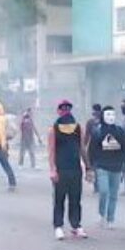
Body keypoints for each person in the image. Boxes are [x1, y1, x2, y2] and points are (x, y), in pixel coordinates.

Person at [48, 100, 87, 240]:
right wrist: (52, 169)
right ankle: (58, 226)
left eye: (67, 109)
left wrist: (88, 167)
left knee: (75, 199)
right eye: (62, 109)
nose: (65, 111)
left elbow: (82, 148)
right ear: (58, 111)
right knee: (59, 199)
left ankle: (76, 226)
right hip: (61, 169)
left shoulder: (78, 128)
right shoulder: (54, 129)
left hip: (75, 169)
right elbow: (51, 151)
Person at [87, 106, 125, 229]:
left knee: (113, 195)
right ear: (103, 116)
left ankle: (111, 218)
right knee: (104, 191)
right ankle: (102, 214)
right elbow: (91, 150)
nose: (111, 117)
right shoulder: (97, 131)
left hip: (117, 168)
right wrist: (90, 167)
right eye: (108, 115)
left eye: (113, 114)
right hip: (102, 167)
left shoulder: (120, 131)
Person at [84, 104, 102, 194]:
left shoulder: (91, 122)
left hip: (97, 147)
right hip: (97, 147)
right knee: (96, 167)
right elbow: (86, 136)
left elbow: (87, 136)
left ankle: (98, 186)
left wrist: (83, 145)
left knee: (96, 167)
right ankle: (97, 186)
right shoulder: (91, 122)